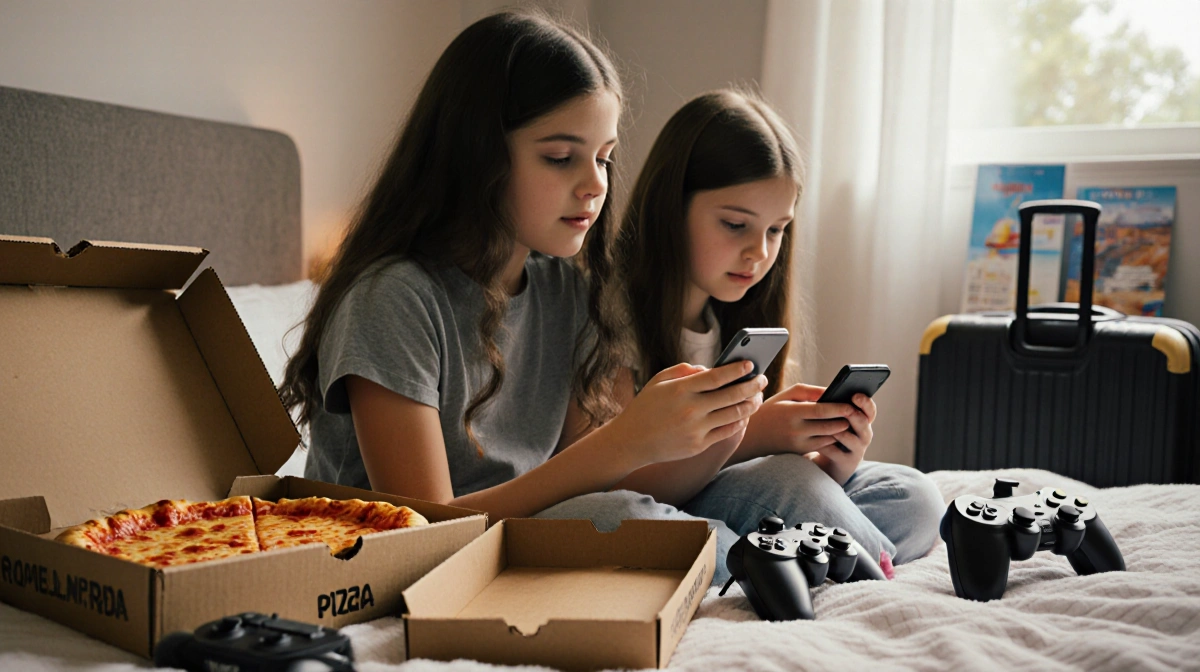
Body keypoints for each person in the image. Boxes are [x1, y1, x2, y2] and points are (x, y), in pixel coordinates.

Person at [279, 13, 764, 538]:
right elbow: (421, 527)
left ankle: (821, 575)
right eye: (560, 157)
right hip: (409, 560)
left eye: (604, 158)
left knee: (782, 482)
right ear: (477, 154)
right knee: (627, 519)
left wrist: (724, 430)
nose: (594, 185)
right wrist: (624, 441)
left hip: (513, 537)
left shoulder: (567, 291)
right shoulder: (392, 299)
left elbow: (603, 480)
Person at [550, 90, 943, 581]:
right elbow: (608, 485)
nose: (758, 252)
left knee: (914, 496)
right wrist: (747, 437)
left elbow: (764, 478)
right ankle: (846, 567)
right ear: (671, 208)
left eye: (777, 230)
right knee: (774, 487)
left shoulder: (736, 320)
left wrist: (834, 461)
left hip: (733, 497)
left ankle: (800, 560)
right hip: (657, 502)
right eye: (735, 225)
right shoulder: (610, 312)